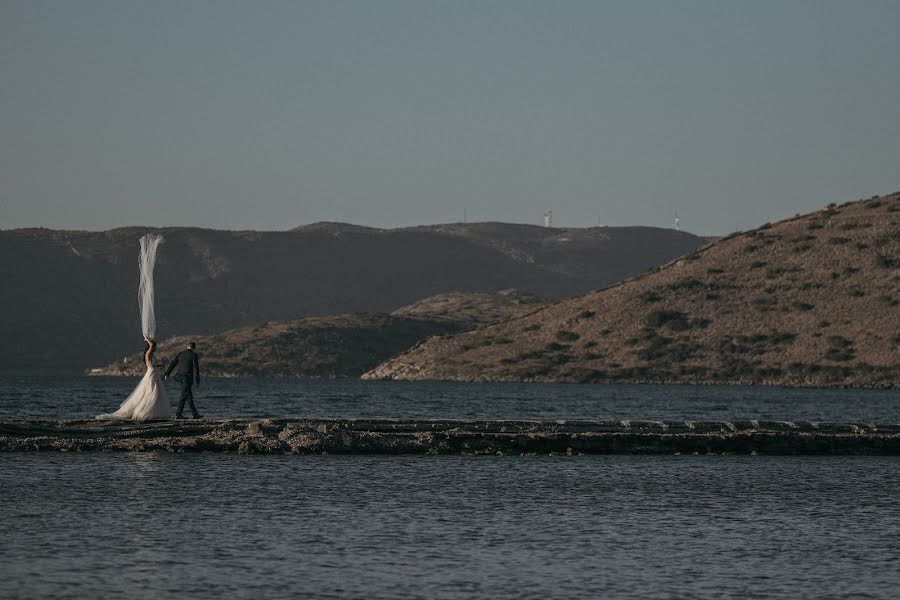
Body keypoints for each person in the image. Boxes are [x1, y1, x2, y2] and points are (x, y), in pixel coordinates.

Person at [96, 336, 171, 421]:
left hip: (154, 374)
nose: (156, 348)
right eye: (155, 346)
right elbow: (151, 347)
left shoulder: (152, 355)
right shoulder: (148, 354)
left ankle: (153, 412)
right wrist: (148, 341)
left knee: (155, 393)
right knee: (152, 392)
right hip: (151, 374)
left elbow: (153, 364)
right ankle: (145, 412)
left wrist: (161, 365)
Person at [164, 341, 202, 419]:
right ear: (194, 347)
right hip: (187, 378)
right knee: (184, 396)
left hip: (179, 377)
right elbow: (196, 368)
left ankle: (195, 414)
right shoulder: (194, 355)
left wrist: (167, 374)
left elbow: (173, 363)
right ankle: (178, 414)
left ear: (187, 346)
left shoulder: (181, 354)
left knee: (188, 396)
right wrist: (197, 380)